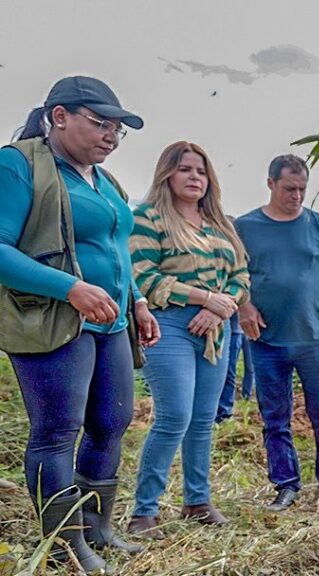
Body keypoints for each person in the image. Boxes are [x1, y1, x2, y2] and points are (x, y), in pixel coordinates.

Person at [0, 76, 157, 573]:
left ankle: (99, 529)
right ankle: (67, 544)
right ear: (59, 116)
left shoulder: (105, 182)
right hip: (51, 318)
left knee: (111, 424)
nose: (110, 136)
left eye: (117, 129)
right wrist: (70, 287)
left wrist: (138, 301)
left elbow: (116, 249)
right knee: (56, 431)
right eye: (100, 124)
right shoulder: (20, 164)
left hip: (108, 322)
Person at [127, 141, 250, 539]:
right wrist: (202, 298)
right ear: (167, 174)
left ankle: (198, 501)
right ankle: (144, 512)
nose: (194, 177)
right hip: (170, 325)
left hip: (216, 327)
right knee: (174, 416)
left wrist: (221, 305)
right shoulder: (147, 218)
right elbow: (142, 274)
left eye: (200, 171)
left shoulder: (220, 225)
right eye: (185, 170)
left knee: (203, 421)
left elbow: (242, 276)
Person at [235, 154, 319, 513]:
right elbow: (232, 274)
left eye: (303, 189)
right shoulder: (246, 227)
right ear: (270, 184)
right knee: (275, 416)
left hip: (314, 337)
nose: (297, 196)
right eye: (290, 188)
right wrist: (244, 304)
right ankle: (286, 484)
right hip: (266, 339)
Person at [215, 310, 255, 423]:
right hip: (232, 329)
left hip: (244, 329)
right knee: (228, 371)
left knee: (250, 368)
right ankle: (224, 411)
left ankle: (246, 396)